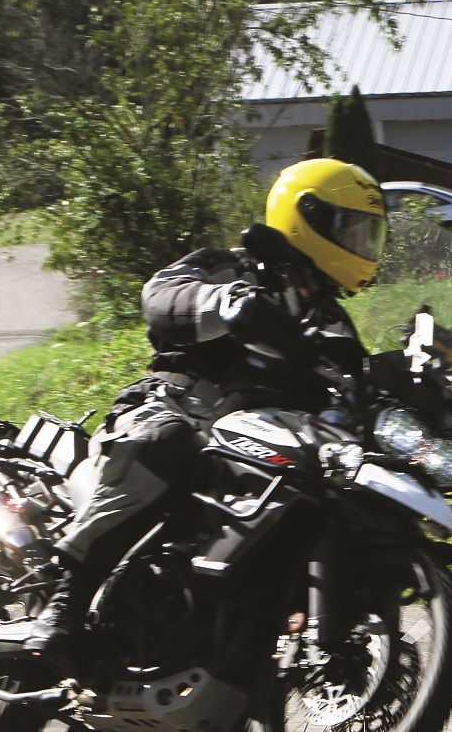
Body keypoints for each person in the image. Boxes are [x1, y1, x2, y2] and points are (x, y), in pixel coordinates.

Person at [26, 157, 389, 662]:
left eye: (368, 234)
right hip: (175, 408)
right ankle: (65, 600)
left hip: (260, 445)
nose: (361, 245)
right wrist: (227, 303)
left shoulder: (333, 325)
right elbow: (160, 296)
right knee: (168, 443)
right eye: (350, 229)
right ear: (305, 217)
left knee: (328, 496)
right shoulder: (235, 267)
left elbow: (356, 390)